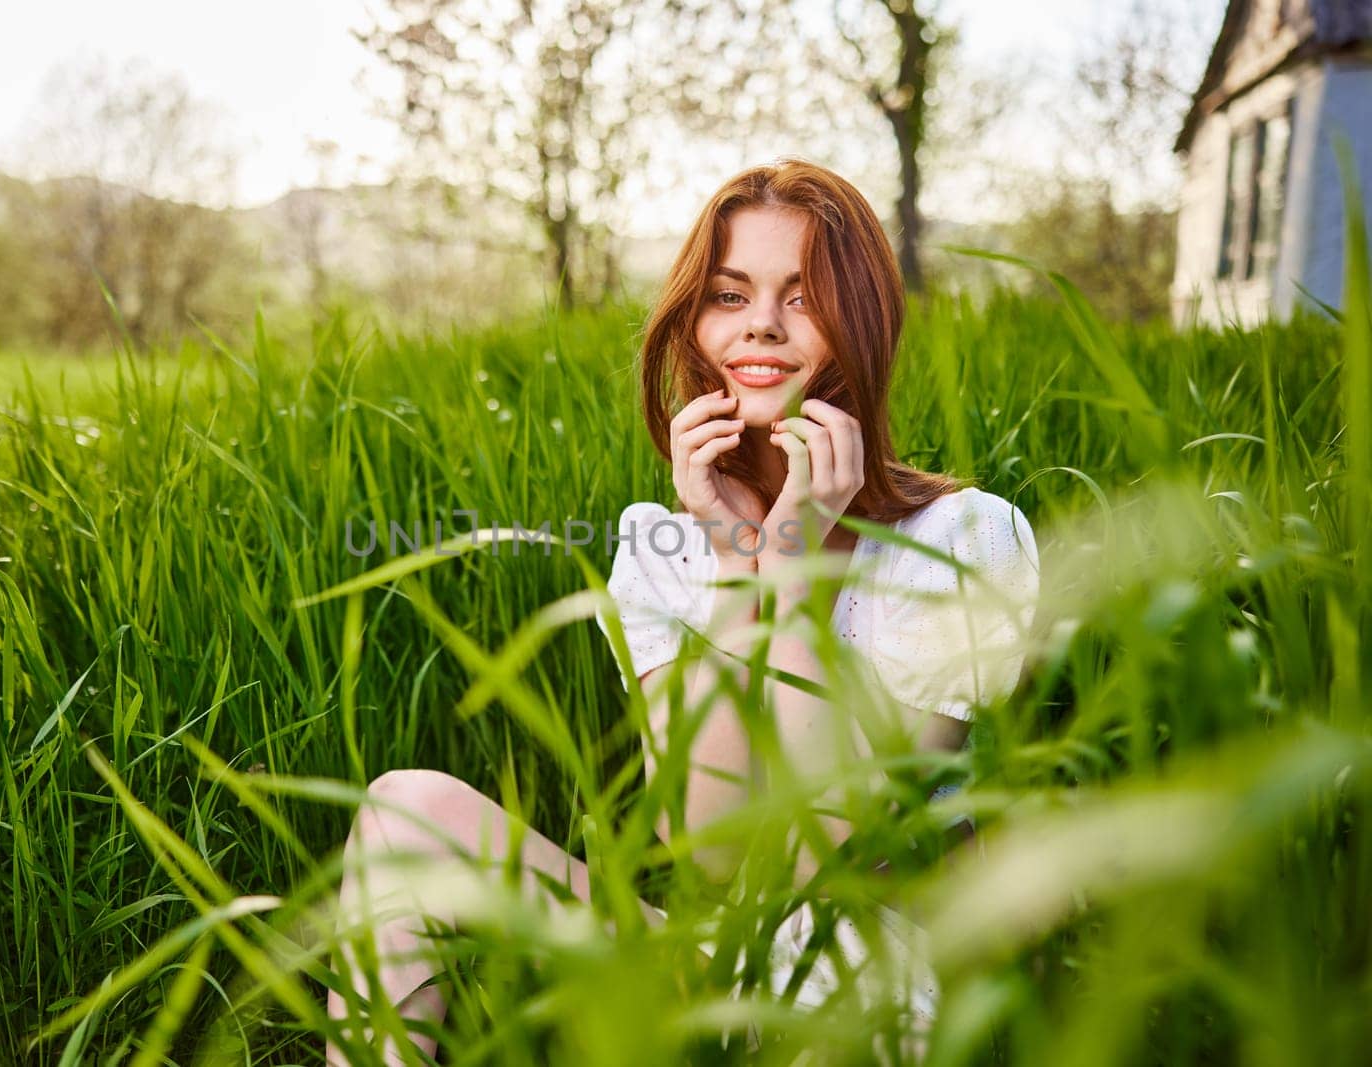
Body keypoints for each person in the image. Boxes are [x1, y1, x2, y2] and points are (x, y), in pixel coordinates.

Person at [322, 157, 1041, 1065]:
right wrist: (745, 563)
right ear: (694, 325)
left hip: (880, 973)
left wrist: (793, 564)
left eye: (804, 297)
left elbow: (833, 847)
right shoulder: (659, 543)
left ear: (863, 317)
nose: (762, 328)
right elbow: (705, 847)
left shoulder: (967, 534)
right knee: (405, 809)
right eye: (730, 295)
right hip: (723, 957)